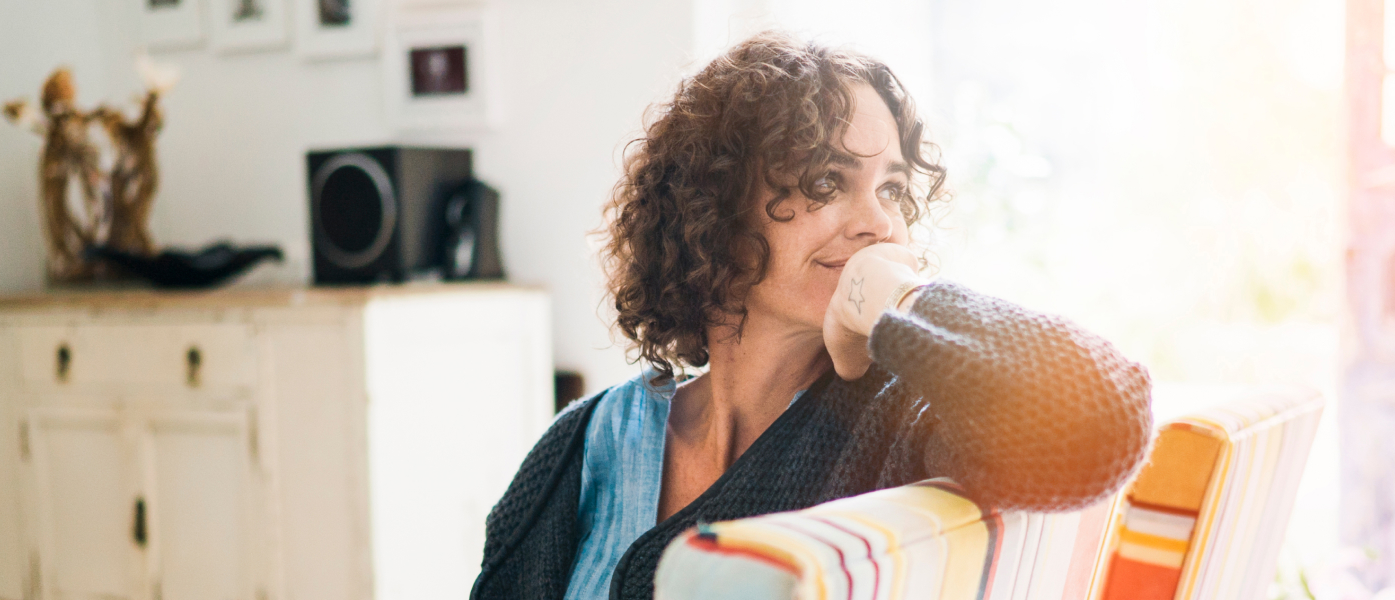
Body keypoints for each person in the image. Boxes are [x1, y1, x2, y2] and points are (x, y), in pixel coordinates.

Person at [471, 32, 1153, 600]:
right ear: (714, 207)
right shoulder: (582, 445)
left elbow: (1102, 422)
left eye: (891, 187)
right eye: (829, 182)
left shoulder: (898, 423)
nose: (880, 222)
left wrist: (899, 301)